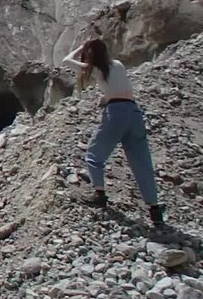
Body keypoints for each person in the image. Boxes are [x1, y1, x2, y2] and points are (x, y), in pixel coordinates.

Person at [62, 39, 163, 227]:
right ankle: (154, 209)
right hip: (134, 113)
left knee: (94, 154)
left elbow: (66, 61)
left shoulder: (95, 69)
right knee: (142, 162)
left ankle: (99, 194)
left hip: (115, 113)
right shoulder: (118, 65)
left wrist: (79, 48)